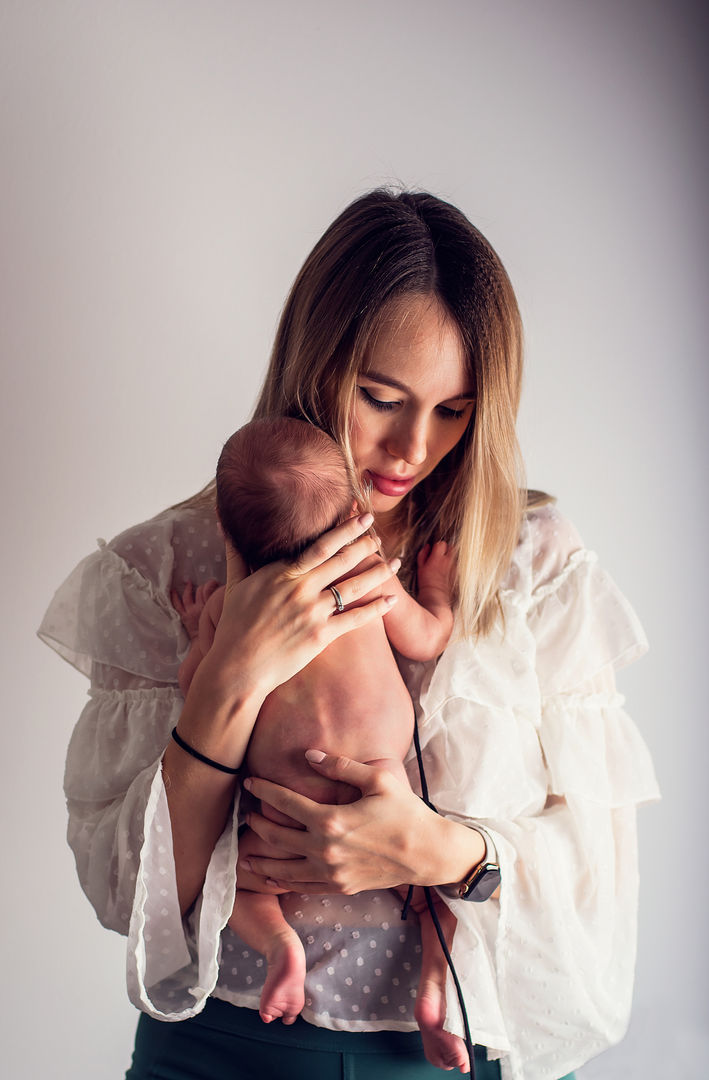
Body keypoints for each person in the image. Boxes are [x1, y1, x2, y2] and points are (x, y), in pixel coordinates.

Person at [39, 189, 659, 1080]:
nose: (412, 446)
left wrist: (433, 850)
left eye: (453, 410)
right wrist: (226, 680)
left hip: (454, 1050)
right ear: (316, 362)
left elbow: (596, 885)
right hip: (225, 1049)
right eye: (379, 397)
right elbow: (130, 896)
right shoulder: (167, 570)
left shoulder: (528, 567)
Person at [172, 414, 465, 1070]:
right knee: (442, 889)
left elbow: (199, 689)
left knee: (241, 886)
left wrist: (199, 631)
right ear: (353, 510)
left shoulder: (236, 605)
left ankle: (282, 948)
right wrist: (438, 592)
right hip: (383, 795)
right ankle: (434, 986)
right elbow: (426, 639)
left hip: (281, 803)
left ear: (227, 529)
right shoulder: (365, 571)